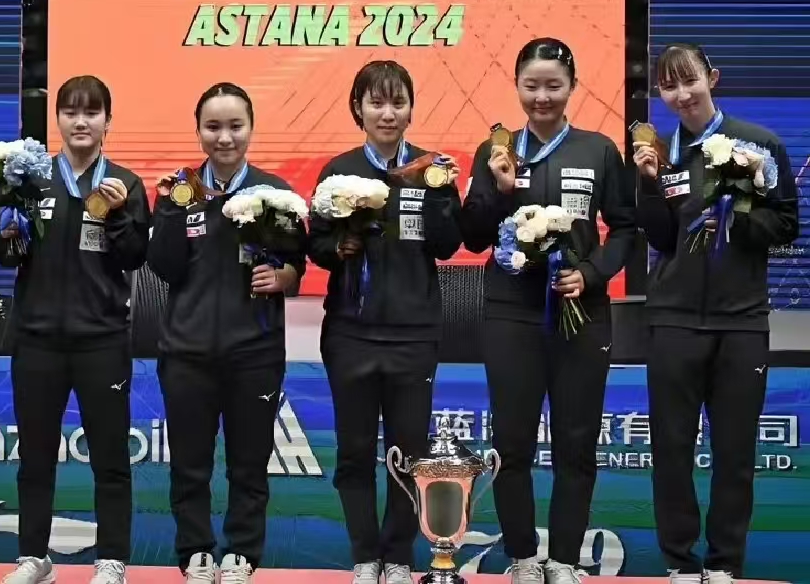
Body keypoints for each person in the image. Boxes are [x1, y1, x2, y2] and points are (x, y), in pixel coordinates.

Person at [459, 38, 635, 584]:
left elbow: (625, 228)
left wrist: (593, 273)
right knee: (511, 444)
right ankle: (522, 559)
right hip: (510, 313)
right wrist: (499, 190)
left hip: (580, 313)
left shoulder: (598, 150)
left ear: (572, 87)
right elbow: (472, 236)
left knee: (576, 446)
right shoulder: (497, 151)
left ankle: (563, 560)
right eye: (531, 85)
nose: (542, 97)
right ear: (516, 86)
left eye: (553, 85)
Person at [634, 43, 798, 584]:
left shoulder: (760, 144)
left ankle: (726, 564)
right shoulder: (660, 153)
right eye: (669, 86)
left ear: (713, 78)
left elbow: (787, 224)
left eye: (690, 81)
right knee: (671, 451)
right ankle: (680, 564)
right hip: (673, 320)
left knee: (734, 454)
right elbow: (661, 238)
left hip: (741, 321)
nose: (682, 94)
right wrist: (648, 183)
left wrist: (736, 216)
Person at [306, 60, 464, 584]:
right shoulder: (338, 171)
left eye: (398, 102)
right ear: (359, 109)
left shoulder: (430, 169)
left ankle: (398, 557)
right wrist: (340, 245)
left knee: (410, 454)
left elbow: (447, 245)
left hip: (413, 335)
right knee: (354, 453)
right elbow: (315, 245)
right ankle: (364, 556)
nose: (388, 113)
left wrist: (439, 194)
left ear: (411, 108)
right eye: (377, 102)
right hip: (350, 333)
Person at [0, 76, 150, 584]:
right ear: (57, 119)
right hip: (37, 340)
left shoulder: (125, 183)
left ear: (108, 120)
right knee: (35, 457)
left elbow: (135, 256)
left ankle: (112, 560)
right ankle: (34, 557)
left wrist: (119, 214)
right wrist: (5, 234)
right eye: (71, 112)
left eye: (92, 112)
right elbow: (7, 256)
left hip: (102, 341)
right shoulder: (30, 181)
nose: (81, 122)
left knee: (110, 458)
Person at [147, 82, 307, 584]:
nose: (224, 137)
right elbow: (164, 267)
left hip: (254, 353)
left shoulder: (274, 194)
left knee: (249, 464)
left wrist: (284, 277)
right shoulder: (182, 192)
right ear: (198, 130)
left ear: (251, 129)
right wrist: (170, 210)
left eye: (235, 126)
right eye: (213, 127)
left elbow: (297, 266)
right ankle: (195, 550)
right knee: (189, 465)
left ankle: (242, 551)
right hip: (187, 353)